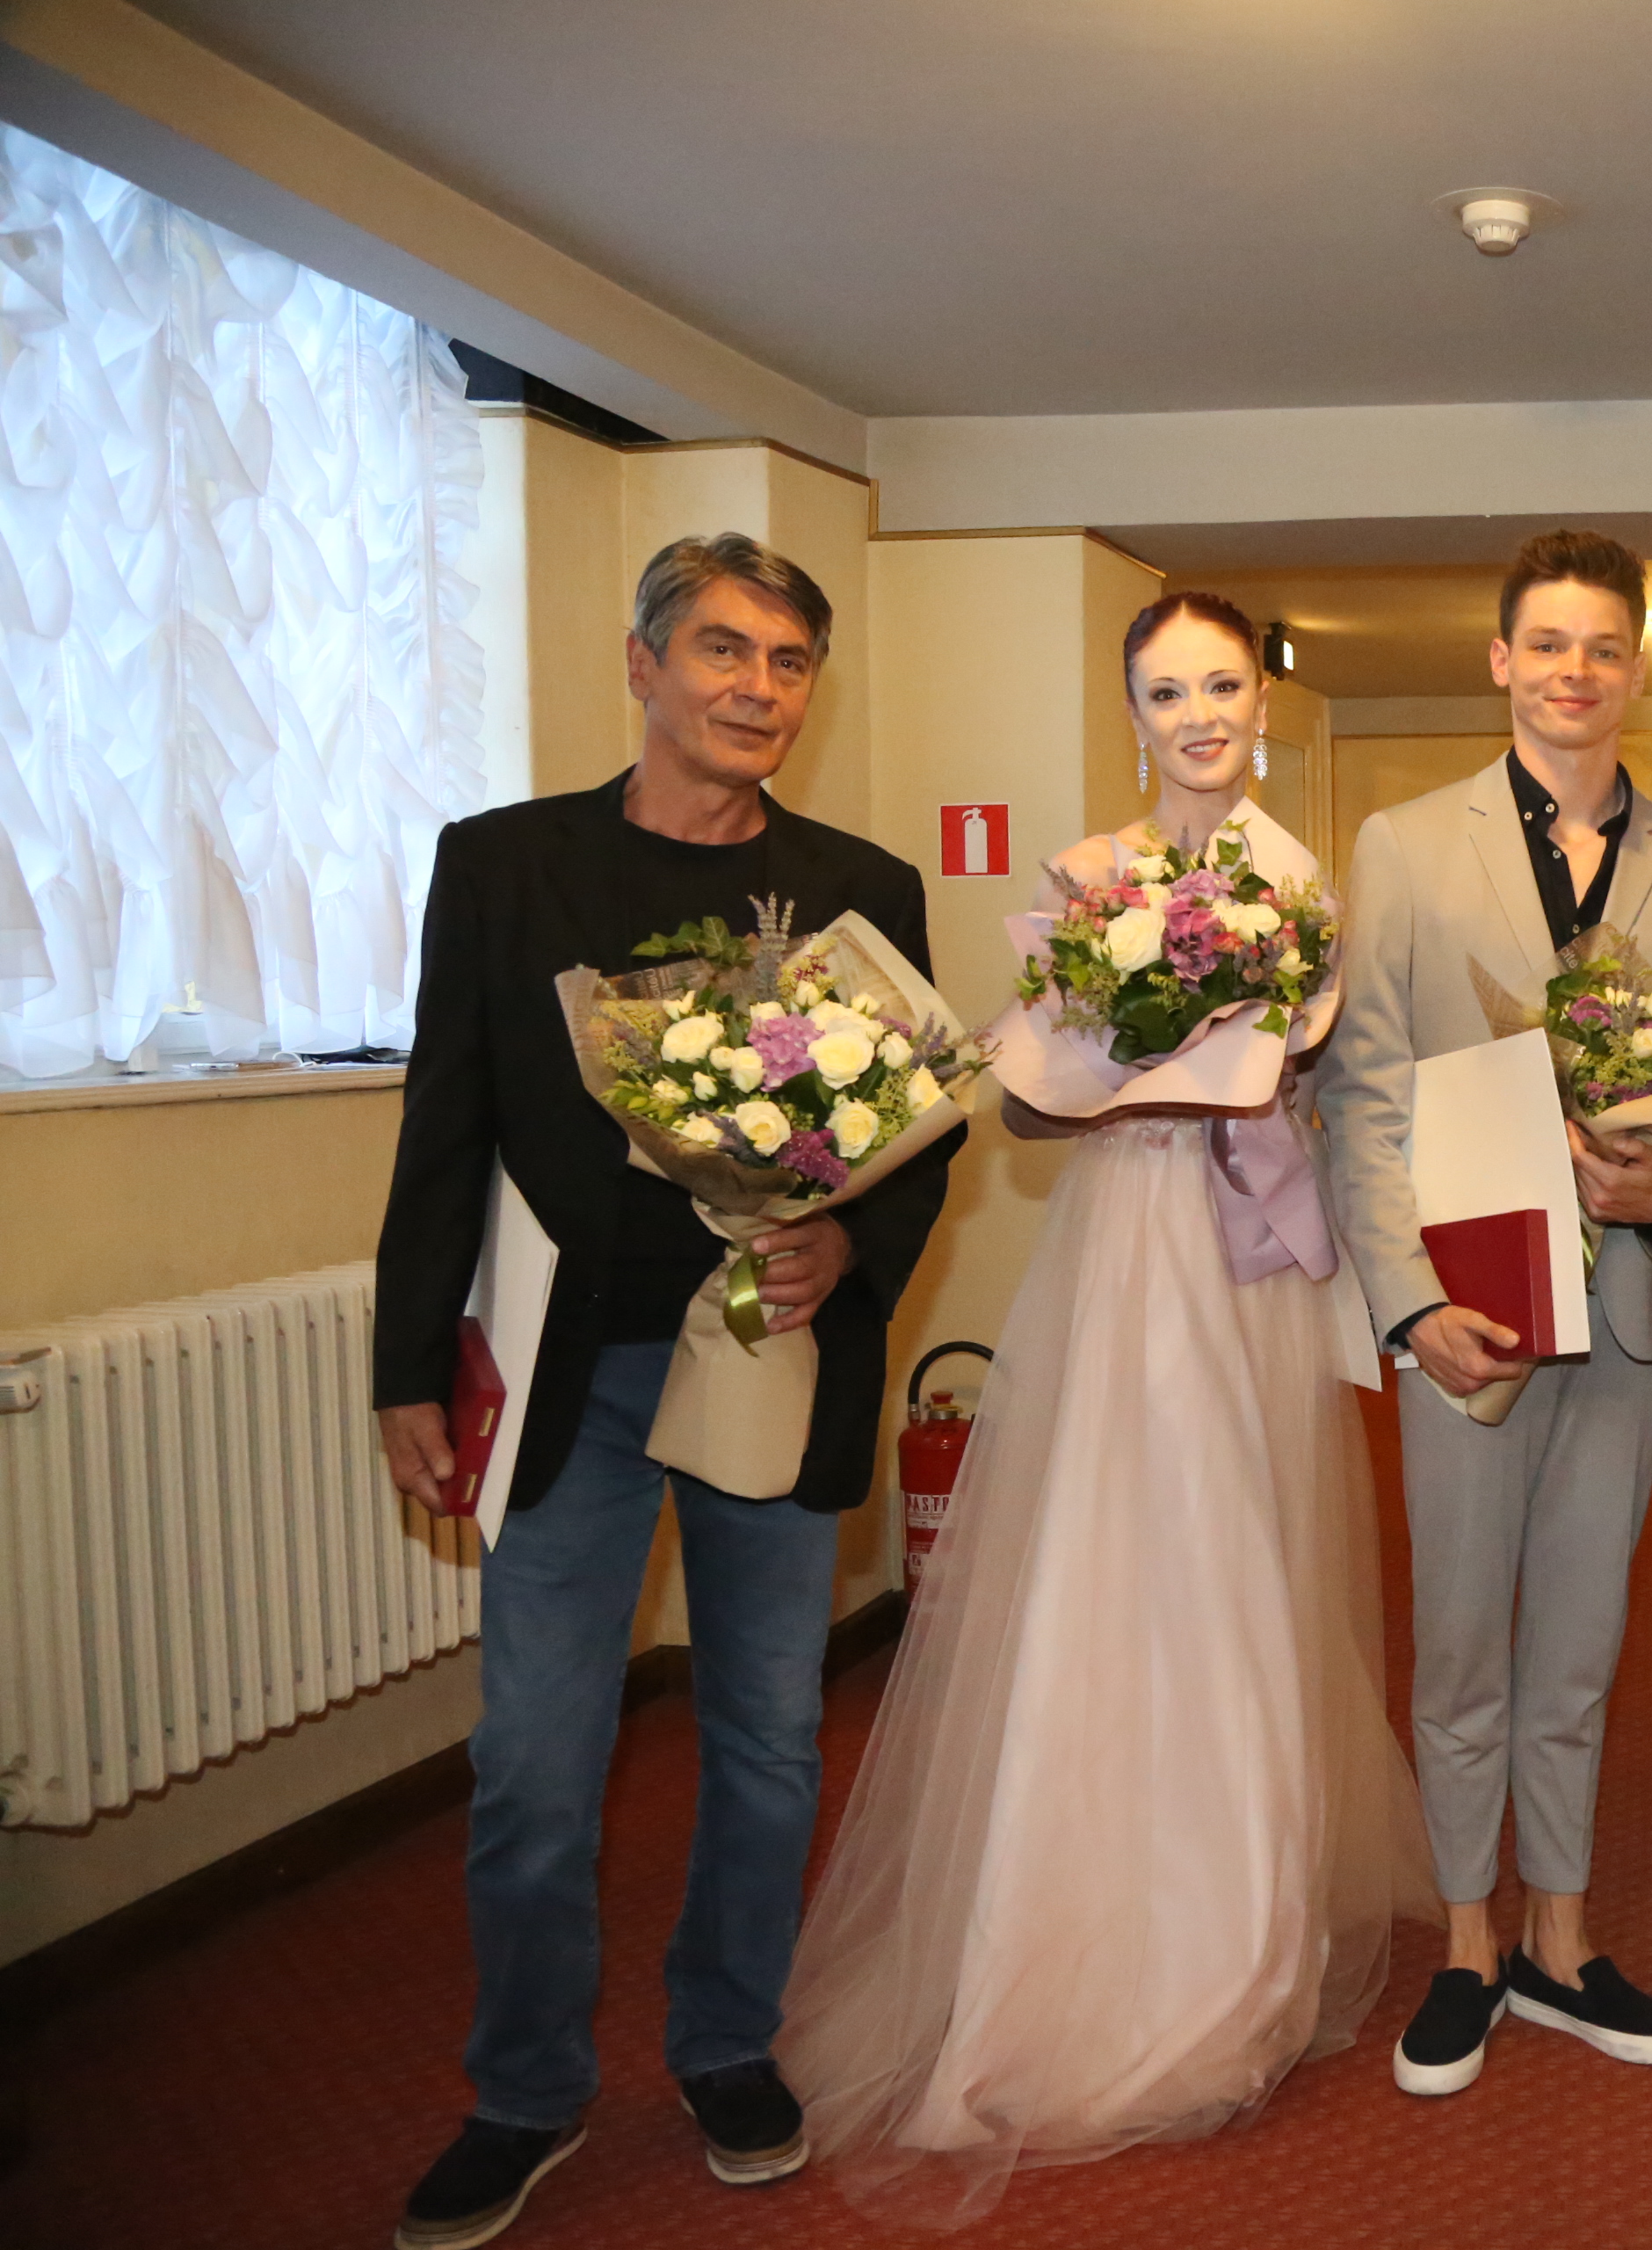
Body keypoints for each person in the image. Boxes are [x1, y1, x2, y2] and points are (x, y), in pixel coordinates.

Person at [770, 593, 1430, 2221]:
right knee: (1100, 1564)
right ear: (1131, 714)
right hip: (1129, 1244)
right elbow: (1026, 1109)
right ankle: (1061, 1946)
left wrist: (1248, 1060)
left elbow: (1319, 1082)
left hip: (1246, 1263)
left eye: (1222, 684)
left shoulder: (1298, 886)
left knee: (1232, 1566)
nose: (1199, 712)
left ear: (1258, 705)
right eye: (1167, 689)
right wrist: (1123, 1064)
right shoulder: (1086, 880)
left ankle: (1235, 1948)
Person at [372, 535, 962, 2250]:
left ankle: (724, 2043)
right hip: (571, 1378)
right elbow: (445, 1120)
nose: (755, 688)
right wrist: (409, 1365)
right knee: (535, 1759)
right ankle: (526, 2089)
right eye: (721, 649)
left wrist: (845, 1243)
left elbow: (921, 1133)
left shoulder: (858, 888)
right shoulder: (505, 867)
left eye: (787, 662)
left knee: (768, 1737)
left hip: (770, 1358)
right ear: (642, 665)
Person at [1314, 529, 1652, 2097]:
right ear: (1501, 660)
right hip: (1469, 1314)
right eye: (1548, 644)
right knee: (1459, 1644)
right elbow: (1362, 1099)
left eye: (1604, 647)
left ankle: (1561, 1941)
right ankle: (1466, 1943)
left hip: (1629, 1313)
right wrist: (1408, 1304)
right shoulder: (1403, 846)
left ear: (1637, 670)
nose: (1576, 671)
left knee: (1578, 1639)